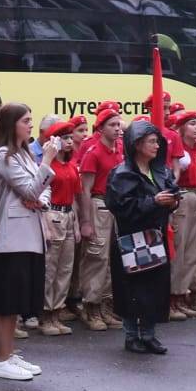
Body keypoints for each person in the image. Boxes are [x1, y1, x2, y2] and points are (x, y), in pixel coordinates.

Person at [0, 103, 53, 381]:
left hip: (30, 231)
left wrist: (40, 197)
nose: (30, 125)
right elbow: (29, 187)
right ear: (11, 124)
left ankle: (8, 353)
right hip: (12, 237)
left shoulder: (24, 154)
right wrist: (47, 160)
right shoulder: (4, 155)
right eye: (25, 120)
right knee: (6, 300)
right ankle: (0, 359)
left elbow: (43, 189)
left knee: (16, 299)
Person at [106, 120, 178, 355]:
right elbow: (121, 208)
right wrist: (153, 202)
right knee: (132, 287)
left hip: (156, 236)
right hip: (131, 239)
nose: (157, 146)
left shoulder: (162, 171)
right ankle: (131, 335)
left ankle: (149, 334)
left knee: (156, 286)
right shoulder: (121, 174)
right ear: (137, 145)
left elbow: (170, 195)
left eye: (158, 141)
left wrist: (172, 201)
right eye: (152, 141)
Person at [77, 108, 125, 331]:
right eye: (112, 125)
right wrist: (86, 221)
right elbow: (85, 190)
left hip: (117, 206)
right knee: (96, 256)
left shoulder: (120, 150)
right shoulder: (93, 152)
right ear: (101, 128)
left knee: (111, 259)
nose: (117, 129)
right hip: (99, 204)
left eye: (118, 124)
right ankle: (91, 306)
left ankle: (106, 303)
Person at [165, 110, 196, 321]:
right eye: (192, 123)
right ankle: (172, 297)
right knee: (179, 250)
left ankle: (183, 294)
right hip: (182, 198)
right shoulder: (178, 150)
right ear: (182, 127)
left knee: (193, 251)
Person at [38, 119, 80, 337]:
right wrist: (44, 222)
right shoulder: (48, 165)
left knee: (65, 267)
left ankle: (57, 311)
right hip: (52, 213)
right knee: (50, 267)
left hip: (68, 214)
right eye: (64, 138)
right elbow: (39, 194)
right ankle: (45, 314)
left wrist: (78, 224)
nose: (69, 142)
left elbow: (75, 195)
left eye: (70, 137)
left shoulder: (71, 165)